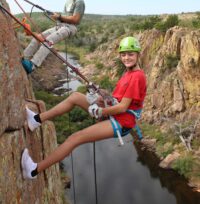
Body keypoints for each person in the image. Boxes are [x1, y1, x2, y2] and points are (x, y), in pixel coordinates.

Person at [21, 36, 147, 179]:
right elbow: (121, 100)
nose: (126, 58)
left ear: (138, 54)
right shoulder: (128, 72)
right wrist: (103, 97)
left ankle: (33, 170)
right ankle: (36, 120)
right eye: (123, 54)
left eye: (130, 54)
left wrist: (101, 111)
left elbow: (123, 107)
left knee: (75, 138)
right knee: (75, 96)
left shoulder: (137, 77)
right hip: (115, 113)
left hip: (122, 122)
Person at [22, 0, 85, 74]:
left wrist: (59, 16)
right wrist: (55, 16)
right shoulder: (68, 1)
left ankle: (33, 65)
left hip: (69, 28)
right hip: (60, 26)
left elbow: (75, 19)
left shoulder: (79, 2)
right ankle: (25, 56)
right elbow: (64, 16)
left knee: (48, 42)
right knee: (38, 37)